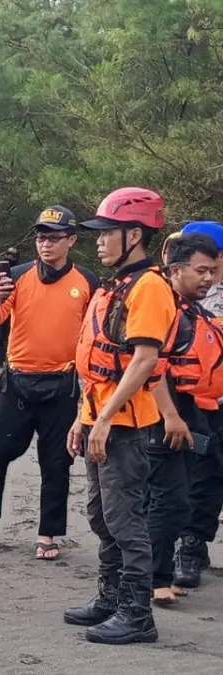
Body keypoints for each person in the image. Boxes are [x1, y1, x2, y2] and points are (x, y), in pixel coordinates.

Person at [63, 187, 176, 646]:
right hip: (99, 416)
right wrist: (82, 417)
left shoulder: (149, 286)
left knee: (125, 518)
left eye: (108, 233)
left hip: (125, 424)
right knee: (101, 514)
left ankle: (137, 614)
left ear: (134, 233)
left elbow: (145, 360)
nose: (100, 242)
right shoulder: (115, 286)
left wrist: (106, 418)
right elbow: (95, 363)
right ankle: (110, 598)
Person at [0, 207, 98, 559]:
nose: (46, 244)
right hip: (17, 381)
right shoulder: (17, 277)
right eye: (40, 237)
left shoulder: (87, 282)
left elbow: (93, 335)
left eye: (54, 237)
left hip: (62, 385)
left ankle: (48, 534)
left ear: (71, 240)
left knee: (57, 461)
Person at [147, 232, 220, 606]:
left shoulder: (195, 310)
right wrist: (171, 416)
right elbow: (151, 366)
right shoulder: (166, 307)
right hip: (170, 413)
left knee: (188, 494)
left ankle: (159, 570)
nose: (208, 278)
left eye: (212, 270)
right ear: (175, 269)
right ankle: (153, 577)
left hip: (200, 409)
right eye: (201, 270)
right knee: (168, 499)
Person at [173, 221, 223, 589]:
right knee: (183, 476)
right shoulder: (170, 291)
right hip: (181, 400)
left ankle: (193, 542)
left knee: (211, 477)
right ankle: (184, 544)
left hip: (218, 402)